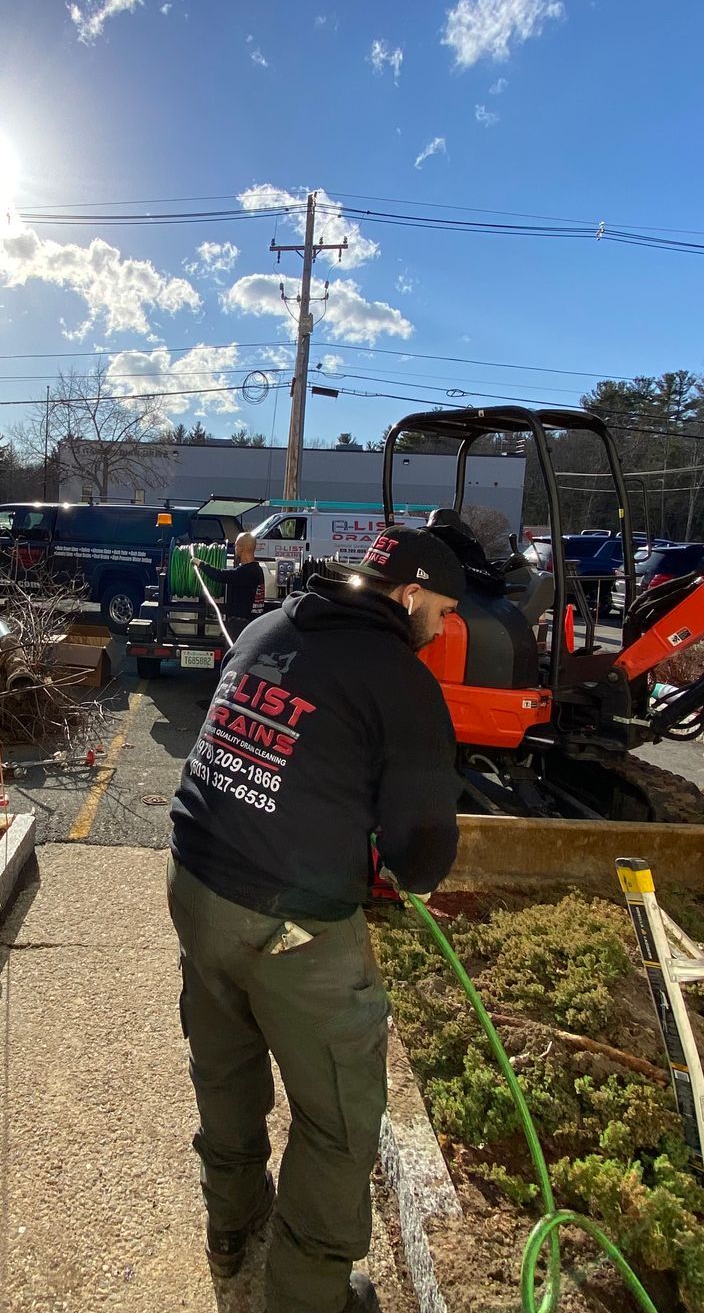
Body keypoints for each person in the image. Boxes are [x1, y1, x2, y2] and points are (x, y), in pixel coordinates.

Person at [166, 525, 466, 1313]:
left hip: (193, 887)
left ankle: (233, 1231)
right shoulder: (398, 679)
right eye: (439, 608)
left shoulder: (272, 624)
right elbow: (423, 850)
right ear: (407, 595)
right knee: (337, 1122)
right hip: (287, 925)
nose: (441, 625)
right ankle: (308, 1298)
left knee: (225, 1073)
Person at [195, 531, 267, 640]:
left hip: (241, 625)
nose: (234, 547)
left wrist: (201, 564)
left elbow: (220, 575)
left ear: (243, 547)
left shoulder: (246, 573)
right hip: (251, 623)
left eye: (237, 544)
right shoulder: (257, 570)